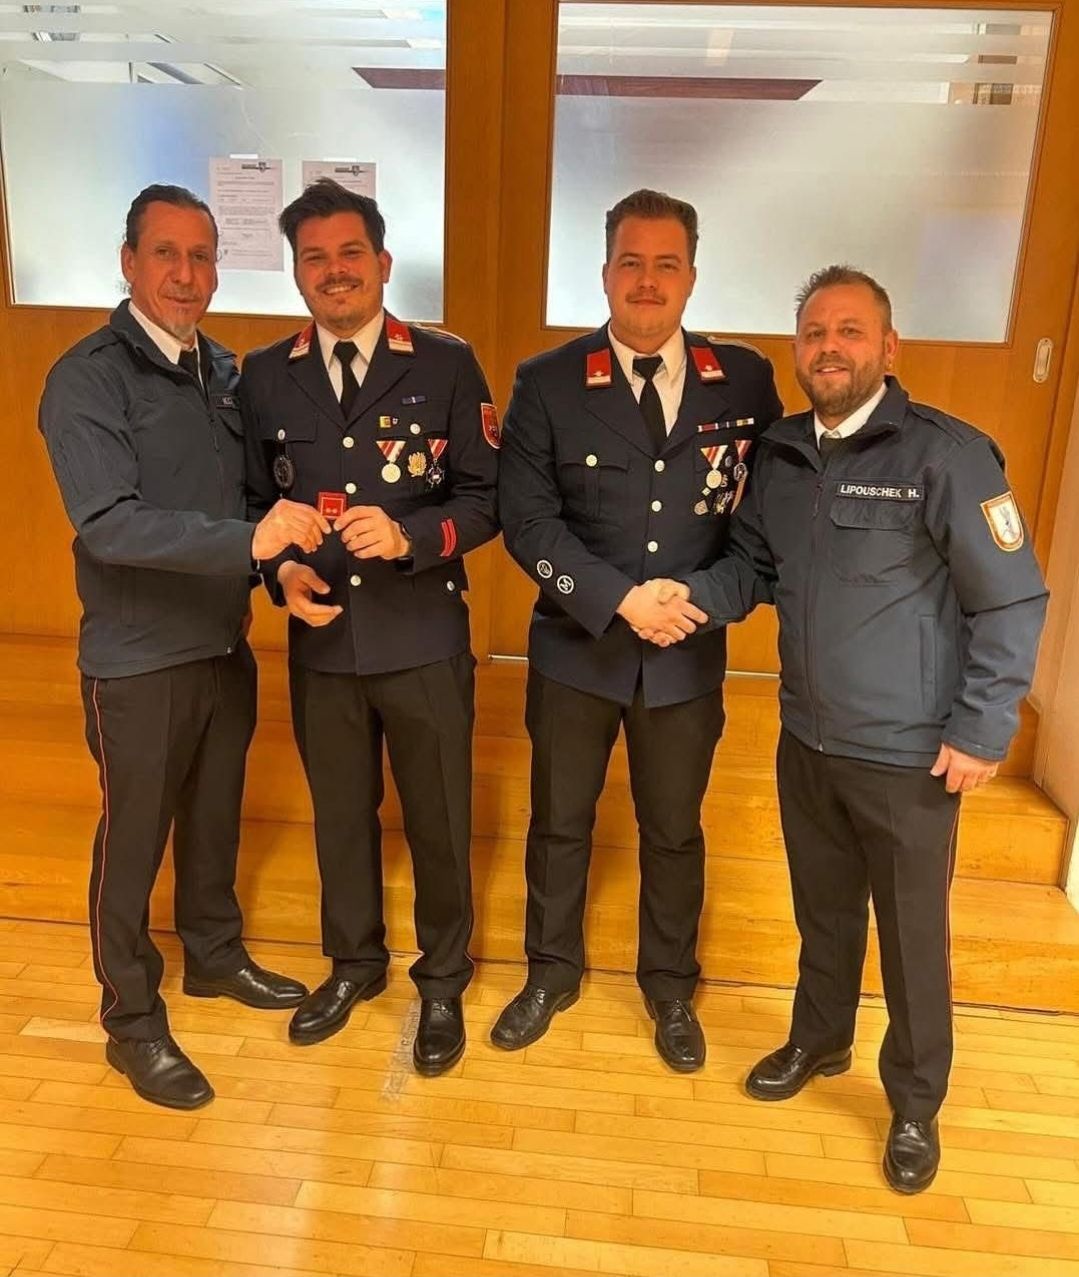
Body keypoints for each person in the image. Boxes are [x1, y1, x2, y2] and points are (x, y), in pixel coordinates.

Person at [649, 265, 1047, 1189]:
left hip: (911, 755)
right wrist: (683, 601)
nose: (829, 348)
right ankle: (817, 1041)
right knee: (822, 914)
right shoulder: (782, 453)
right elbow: (748, 568)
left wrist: (984, 729)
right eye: (814, 334)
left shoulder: (947, 456)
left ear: (887, 347)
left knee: (912, 943)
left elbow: (1012, 599)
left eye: (849, 332)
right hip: (808, 742)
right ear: (799, 351)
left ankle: (913, 1104)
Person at [38, 184, 329, 1111]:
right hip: (135, 661)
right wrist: (254, 544)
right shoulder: (85, 378)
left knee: (214, 817)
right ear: (128, 262)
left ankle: (212, 955)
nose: (187, 274)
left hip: (221, 645)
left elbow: (242, 504)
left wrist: (270, 570)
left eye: (202, 257)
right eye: (166, 254)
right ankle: (130, 1019)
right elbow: (110, 524)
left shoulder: (223, 372)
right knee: (134, 843)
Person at [492, 189, 784, 1071]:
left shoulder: (746, 380)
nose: (646, 281)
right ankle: (551, 970)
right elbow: (527, 521)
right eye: (630, 261)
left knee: (672, 827)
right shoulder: (546, 382)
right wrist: (621, 600)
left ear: (691, 274)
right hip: (578, 648)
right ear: (605, 271)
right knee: (559, 821)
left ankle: (668, 985)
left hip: (684, 657)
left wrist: (692, 602)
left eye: (665, 263)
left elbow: (762, 529)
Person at [240, 180, 499, 1075]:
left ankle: (442, 976)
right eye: (315, 258)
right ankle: (352, 962)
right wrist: (279, 571)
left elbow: (487, 497)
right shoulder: (264, 375)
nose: (334, 271)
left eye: (350, 253)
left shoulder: (445, 364)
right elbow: (253, 502)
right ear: (298, 273)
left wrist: (412, 535)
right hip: (323, 641)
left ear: (382, 263)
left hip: (423, 635)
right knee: (340, 815)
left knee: (436, 816)